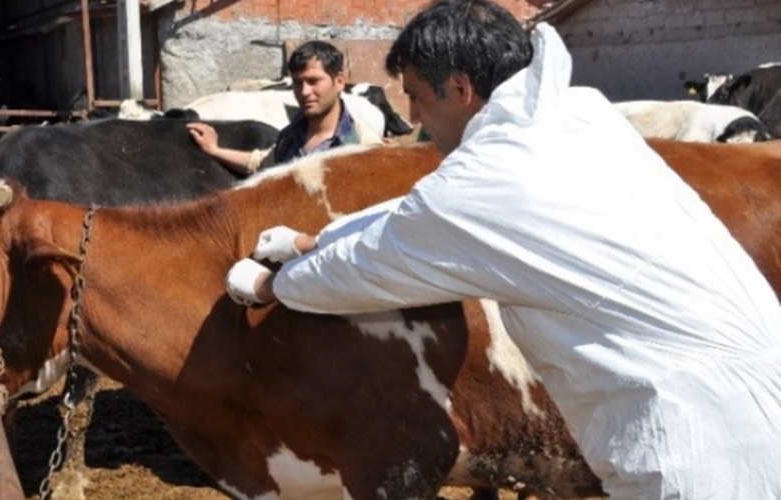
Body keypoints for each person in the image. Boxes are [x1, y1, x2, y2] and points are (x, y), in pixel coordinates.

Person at [223, 1, 781, 499]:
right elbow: (423, 212)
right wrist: (312, 239)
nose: (412, 118)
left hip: (694, 447)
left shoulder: (489, 181)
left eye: (415, 97)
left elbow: (377, 262)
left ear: (460, 89)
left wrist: (275, 284)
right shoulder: (572, 115)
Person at [187, 41, 383, 175]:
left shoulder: (364, 147)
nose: (305, 92)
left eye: (314, 81)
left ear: (339, 81)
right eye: (298, 83)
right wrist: (214, 150)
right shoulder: (290, 137)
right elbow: (260, 163)